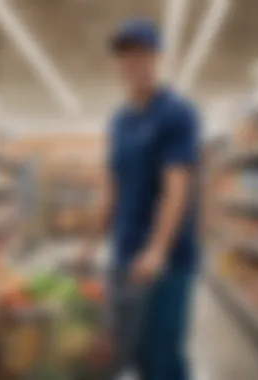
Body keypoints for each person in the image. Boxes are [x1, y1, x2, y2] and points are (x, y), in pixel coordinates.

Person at [74, 18, 200, 380]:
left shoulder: (177, 113)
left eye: (141, 54)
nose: (132, 63)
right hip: (125, 256)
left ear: (157, 58)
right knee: (129, 351)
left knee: (162, 357)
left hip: (168, 261)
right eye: (125, 56)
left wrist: (158, 249)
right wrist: (90, 244)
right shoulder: (119, 121)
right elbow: (112, 189)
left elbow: (177, 186)